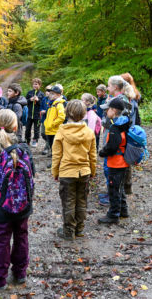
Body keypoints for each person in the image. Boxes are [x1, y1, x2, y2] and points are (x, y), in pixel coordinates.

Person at [0, 109, 35, 290]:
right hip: (23, 203)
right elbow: (32, 173)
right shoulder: (24, 148)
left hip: (0, 205)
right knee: (22, 236)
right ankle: (20, 273)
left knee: (2, 240)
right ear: (16, 126)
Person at [52, 100, 96, 240]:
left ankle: (69, 231)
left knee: (68, 201)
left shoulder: (62, 131)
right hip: (84, 172)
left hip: (67, 172)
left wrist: (55, 172)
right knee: (82, 199)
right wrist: (92, 171)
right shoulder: (89, 132)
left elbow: (57, 155)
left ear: (67, 113)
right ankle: (79, 228)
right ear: (84, 114)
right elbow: (92, 155)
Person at [98, 98, 130, 224]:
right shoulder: (125, 122)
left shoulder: (115, 127)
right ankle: (123, 210)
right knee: (119, 186)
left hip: (116, 162)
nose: (106, 112)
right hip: (123, 161)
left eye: (108, 109)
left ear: (114, 110)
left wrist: (102, 152)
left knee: (113, 189)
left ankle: (113, 215)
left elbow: (112, 146)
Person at [43, 85, 66, 168]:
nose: (50, 95)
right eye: (50, 93)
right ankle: (55, 162)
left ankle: (56, 163)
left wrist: (52, 124)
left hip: (55, 130)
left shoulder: (59, 104)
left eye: (53, 94)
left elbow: (61, 117)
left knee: (55, 148)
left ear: (58, 95)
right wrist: (46, 123)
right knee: (52, 147)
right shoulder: (51, 104)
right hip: (49, 130)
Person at [25, 78, 44, 147]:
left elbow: (43, 104)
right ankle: (27, 141)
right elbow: (25, 102)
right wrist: (30, 99)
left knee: (36, 129)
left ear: (40, 85)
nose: (34, 85)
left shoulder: (41, 94)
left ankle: (35, 140)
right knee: (27, 129)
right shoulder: (29, 93)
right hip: (29, 115)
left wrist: (38, 100)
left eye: (36, 84)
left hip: (37, 115)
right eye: (33, 84)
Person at [39, 85, 52, 155]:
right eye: (47, 90)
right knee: (43, 133)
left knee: (48, 134)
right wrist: (41, 110)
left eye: (50, 91)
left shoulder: (53, 100)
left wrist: (46, 111)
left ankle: (46, 148)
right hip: (44, 119)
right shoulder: (44, 99)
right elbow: (41, 107)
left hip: (50, 120)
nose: (48, 92)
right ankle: (50, 143)